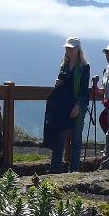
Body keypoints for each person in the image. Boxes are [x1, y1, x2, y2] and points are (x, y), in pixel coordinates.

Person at [44, 37, 90, 172]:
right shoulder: (64, 65)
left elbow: (84, 89)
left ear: (77, 49)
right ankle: (55, 168)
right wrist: (58, 83)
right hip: (63, 105)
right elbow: (61, 82)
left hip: (77, 105)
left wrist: (78, 106)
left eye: (71, 48)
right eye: (67, 48)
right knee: (60, 136)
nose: (68, 50)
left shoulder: (84, 67)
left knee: (76, 137)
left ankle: (74, 169)